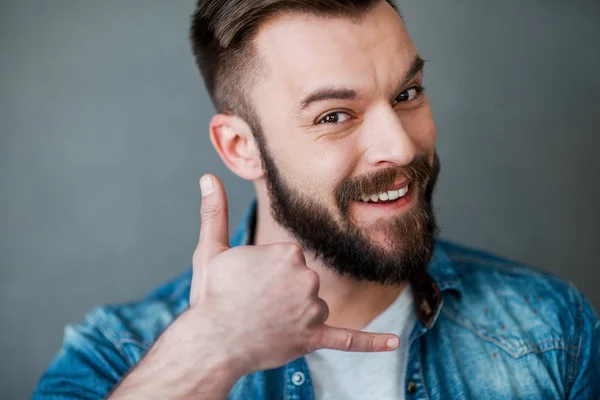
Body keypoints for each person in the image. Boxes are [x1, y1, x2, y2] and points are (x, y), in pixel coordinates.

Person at [33, 0, 599, 399]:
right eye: (334, 116)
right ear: (241, 147)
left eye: (407, 93)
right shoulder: (116, 355)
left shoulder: (549, 328)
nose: (400, 147)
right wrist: (212, 349)